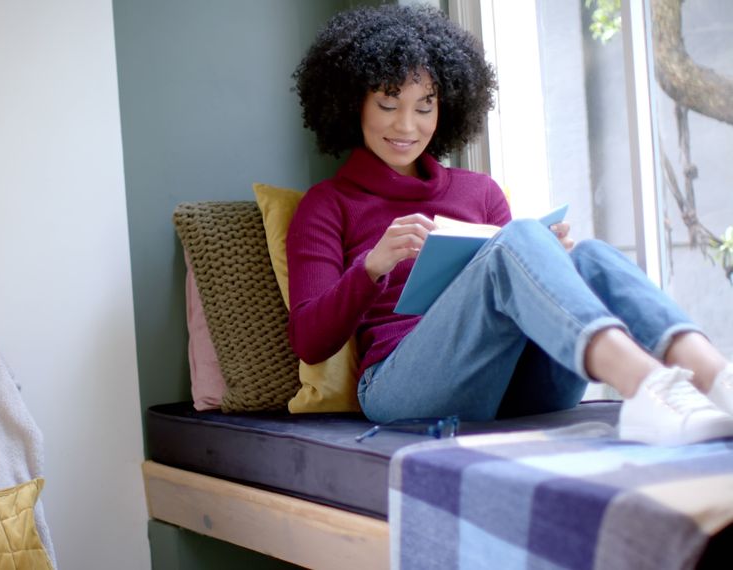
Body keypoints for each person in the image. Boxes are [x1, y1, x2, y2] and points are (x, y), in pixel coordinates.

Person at [287, 4, 733, 446]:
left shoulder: (479, 191)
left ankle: (717, 381)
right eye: (388, 104)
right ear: (352, 104)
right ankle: (648, 389)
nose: (407, 125)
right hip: (399, 388)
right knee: (515, 240)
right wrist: (371, 268)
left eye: (425, 107)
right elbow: (309, 341)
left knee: (588, 256)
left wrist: (552, 260)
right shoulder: (327, 205)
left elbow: (521, 289)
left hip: (515, 385)